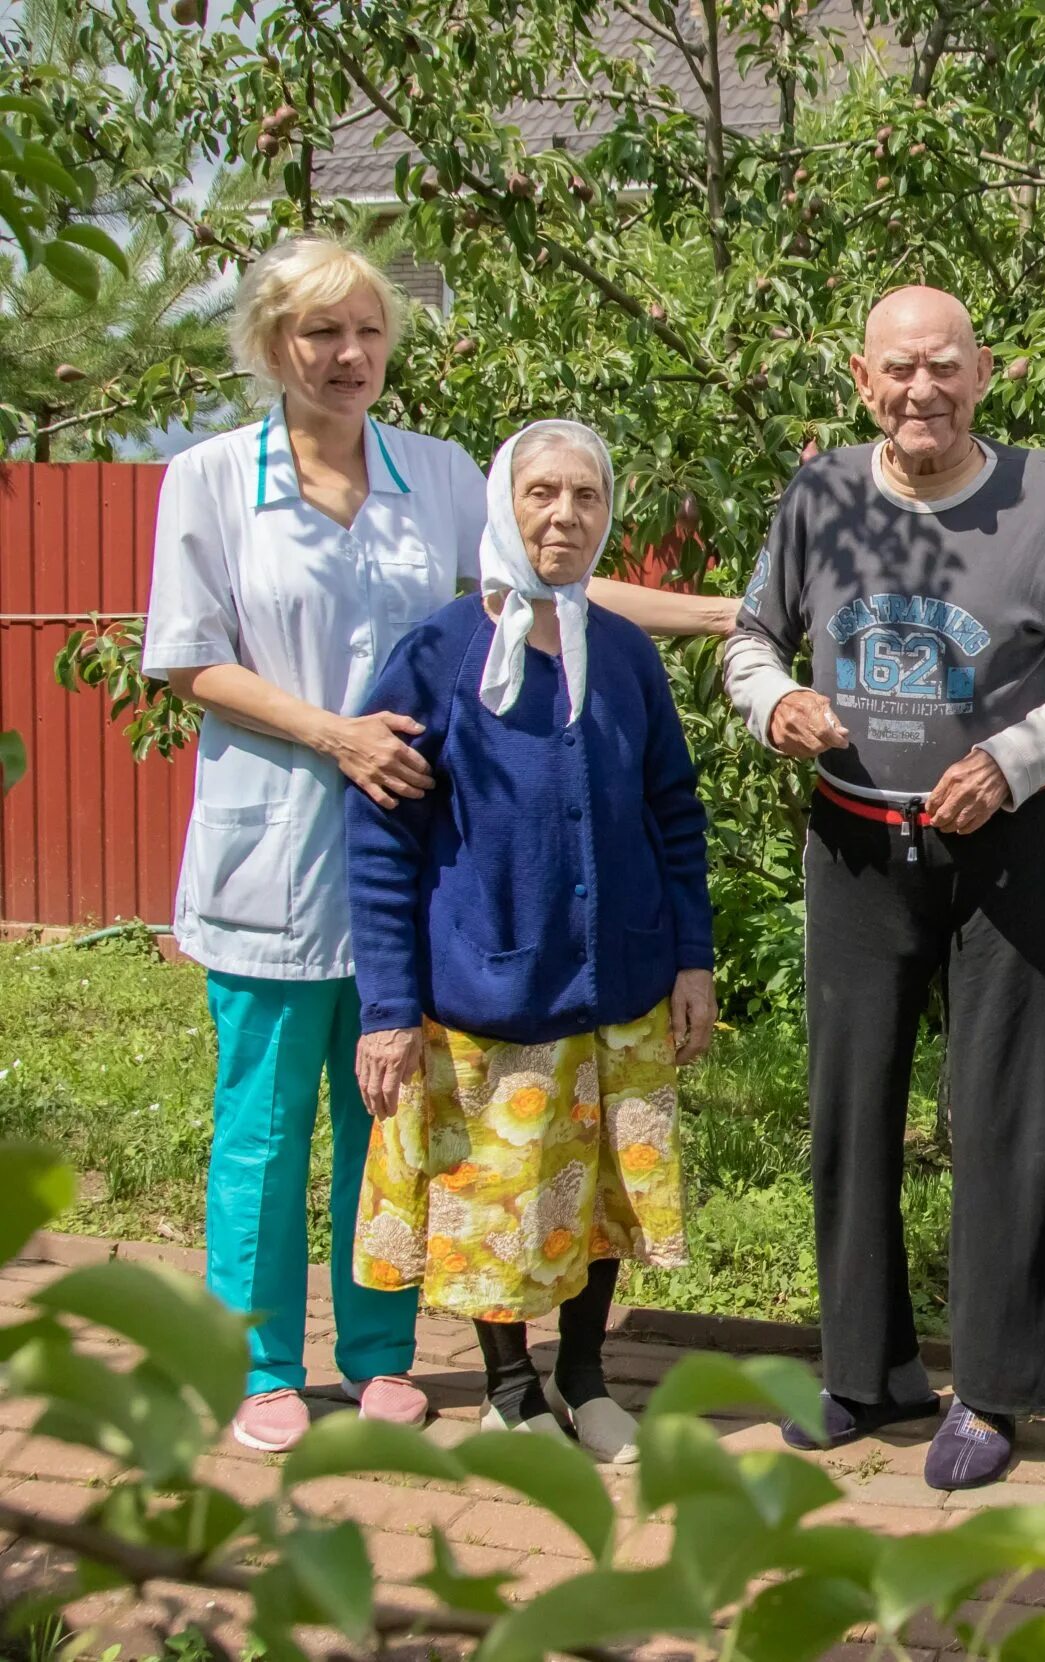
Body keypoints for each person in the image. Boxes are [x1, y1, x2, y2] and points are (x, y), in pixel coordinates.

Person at [139, 236, 729, 1454]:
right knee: (264, 1121)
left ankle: (380, 1355)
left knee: (399, 1123)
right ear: (271, 346)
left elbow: (543, 588)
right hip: (288, 844)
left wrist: (729, 617)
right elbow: (186, 657)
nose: (347, 355)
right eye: (319, 334)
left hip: (446, 872)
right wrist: (335, 734)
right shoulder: (206, 478)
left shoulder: (442, 472)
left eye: (366, 332)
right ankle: (260, 1363)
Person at [723, 285, 1045, 1490]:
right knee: (850, 1112)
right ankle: (867, 1372)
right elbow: (750, 637)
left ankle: (997, 1392)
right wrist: (774, 703)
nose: (922, 390)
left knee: (1007, 1120)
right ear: (861, 379)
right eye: (899, 369)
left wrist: (1012, 766)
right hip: (855, 849)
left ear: (984, 372)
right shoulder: (820, 498)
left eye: (944, 367)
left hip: (1002, 855)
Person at [340, 420, 714, 1463]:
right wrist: (387, 1010)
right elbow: (379, 837)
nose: (564, 516)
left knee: (594, 1200)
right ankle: (510, 1385)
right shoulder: (442, 651)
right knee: (496, 1207)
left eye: (586, 497)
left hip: (622, 987)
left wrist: (692, 959)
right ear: (505, 505)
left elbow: (673, 814)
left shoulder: (626, 654)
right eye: (542, 493)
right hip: (490, 991)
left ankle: (586, 1378)